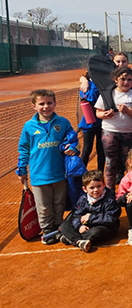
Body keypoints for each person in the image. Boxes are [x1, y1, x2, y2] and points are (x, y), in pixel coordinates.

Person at [17, 89, 78, 244]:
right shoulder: (29, 126)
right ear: (34, 106)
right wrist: (22, 169)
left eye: (49, 103)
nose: (46, 106)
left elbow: (72, 139)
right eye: (41, 104)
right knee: (43, 207)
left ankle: (58, 228)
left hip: (60, 174)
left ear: (55, 104)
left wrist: (73, 148)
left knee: (59, 203)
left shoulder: (63, 123)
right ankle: (47, 231)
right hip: (39, 176)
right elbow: (23, 148)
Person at [95, 67, 132, 189]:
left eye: (129, 80)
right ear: (115, 80)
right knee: (111, 163)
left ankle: (128, 190)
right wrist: (105, 115)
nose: (126, 82)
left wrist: (128, 110)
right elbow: (98, 113)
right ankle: (109, 192)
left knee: (128, 163)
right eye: (122, 79)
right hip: (110, 133)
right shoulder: (107, 94)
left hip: (128, 134)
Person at [59, 170, 121, 253]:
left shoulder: (109, 199)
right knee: (65, 225)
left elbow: (111, 218)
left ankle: (70, 238)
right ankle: (79, 241)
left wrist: (90, 217)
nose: (96, 190)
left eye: (99, 186)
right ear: (85, 189)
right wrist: (79, 226)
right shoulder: (83, 199)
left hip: (104, 227)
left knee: (95, 232)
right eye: (91, 188)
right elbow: (76, 215)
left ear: (104, 185)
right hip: (87, 226)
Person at [78, 72, 105, 172]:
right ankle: (81, 173)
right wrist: (85, 81)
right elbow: (91, 98)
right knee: (87, 149)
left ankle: (100, 173)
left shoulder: (103, 83)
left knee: (101, 149)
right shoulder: (87, 84)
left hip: (102, 121)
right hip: (88, 122)